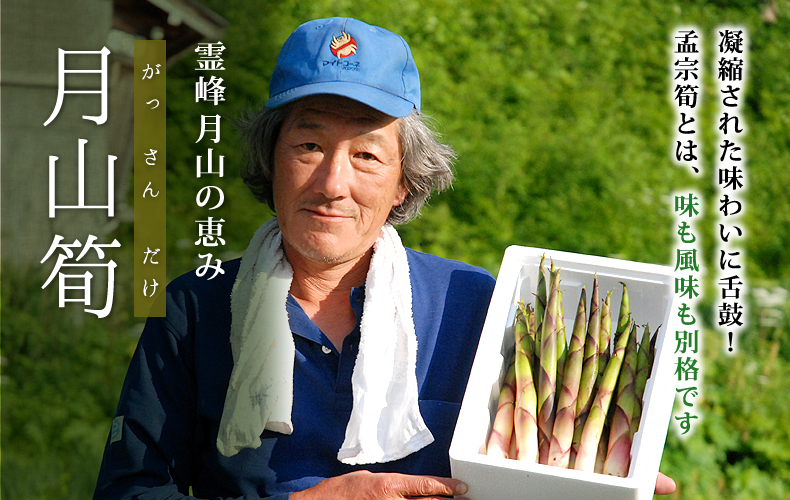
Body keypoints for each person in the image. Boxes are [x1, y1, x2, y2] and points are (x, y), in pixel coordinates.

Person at [94, 17, 676, 500]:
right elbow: (128, 492)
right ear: (271, 161)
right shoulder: (196, 306)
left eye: (368, 155)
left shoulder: (471, 304)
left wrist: (584, 484)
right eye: (309, 145)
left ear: (404, 183)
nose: (332, 182)